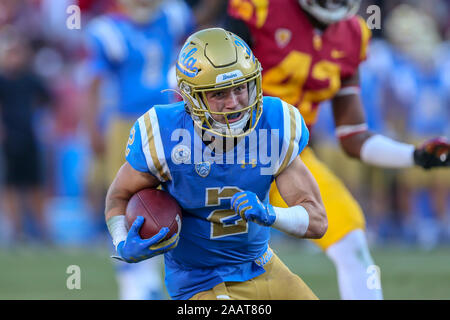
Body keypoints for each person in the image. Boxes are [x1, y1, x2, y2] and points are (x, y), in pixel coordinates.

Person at [225, 0, 450, 300]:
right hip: (226, 149)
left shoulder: (353, 33)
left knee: (353, 245)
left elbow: (353, 136)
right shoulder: (261, 8)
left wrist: (414, 155)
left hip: (288, 158)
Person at [104, 27, 328, 300]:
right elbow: (119, 195)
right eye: (219, 94)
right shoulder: (164, 135)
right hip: (198, 281)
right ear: (191, 97)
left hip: (262, 265)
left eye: (240, 88)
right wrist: (121, 240)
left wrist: (271, 215)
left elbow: (317, 221)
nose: (234, 103)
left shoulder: (274, 125)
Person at [84, 0, 224, 300]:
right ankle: (133, 277)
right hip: (128, 123)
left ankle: (172, 272)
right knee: (128, 196)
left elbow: (201, 21)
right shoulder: (108, 30)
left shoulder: (171, 16)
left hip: (170, 118)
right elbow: (95, 83)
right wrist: (92, 127)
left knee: (178, 195)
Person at [0, 27, 52, 244]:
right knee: (11, 185)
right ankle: (17, 231)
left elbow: (48, 102)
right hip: (9, 139)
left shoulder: (31, 79)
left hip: (30, 136)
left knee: (35, 184)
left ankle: (42, 231)